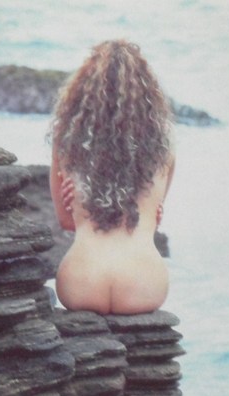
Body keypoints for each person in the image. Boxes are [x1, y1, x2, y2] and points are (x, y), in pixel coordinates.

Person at [49, 40, 175, 314]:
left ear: (84, 90)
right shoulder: (164, 145)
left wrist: (78, 207)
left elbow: (66, 222)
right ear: (146, 92)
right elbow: (151, 217)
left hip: (80, 284)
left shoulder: (66, 139)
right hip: (144, 285)